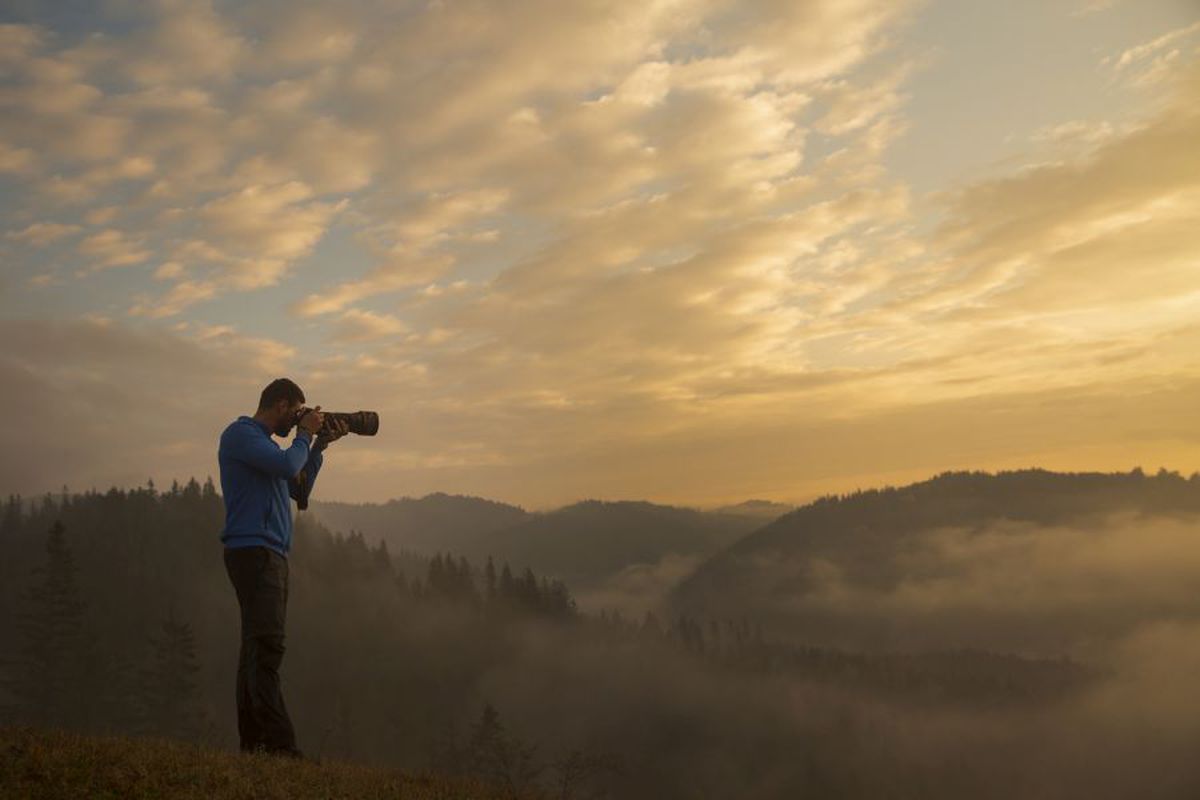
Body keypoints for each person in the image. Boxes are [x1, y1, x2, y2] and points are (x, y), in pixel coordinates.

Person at [217, 377, 349, 758]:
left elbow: (299, 486)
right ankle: (280, 748)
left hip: (267, 553)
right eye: (295, 412)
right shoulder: (241, 435)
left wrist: (319, 445)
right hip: (254, 552)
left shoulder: (268, 449)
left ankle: (255, 745)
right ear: (280, 405)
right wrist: (306, 436)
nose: (296, 420)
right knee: (268, 649)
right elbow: (285, 463)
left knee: (256, 652)